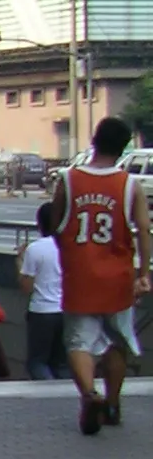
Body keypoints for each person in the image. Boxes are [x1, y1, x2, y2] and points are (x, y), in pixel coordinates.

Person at [50, 116, 152, 433]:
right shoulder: (130, 185)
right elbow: (143, 230)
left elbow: (56, 225)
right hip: (118, 277)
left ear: (94, 141)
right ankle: (113, 403)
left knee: (78, 342)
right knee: (116, 341)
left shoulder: (67, 179)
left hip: (80, 275)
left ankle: (89, 394)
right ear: (123, 148)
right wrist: (143, 273)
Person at [18, 201, 67, 381]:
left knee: (37, 363)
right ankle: (66, 391)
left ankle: (49, 391)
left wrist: (20, 260)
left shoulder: (35, 249)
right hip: (66, 310)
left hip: (41, 311)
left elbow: (26, 287)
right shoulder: (69, 247)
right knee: (62, 363)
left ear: (40, 224)